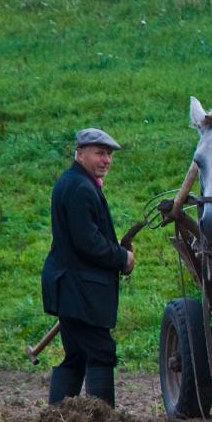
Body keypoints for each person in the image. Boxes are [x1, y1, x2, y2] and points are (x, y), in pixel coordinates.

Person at [41, 128, 135, 407]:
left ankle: (58, 416)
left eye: (109, 155)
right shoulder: (81, 188)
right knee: (101, 352)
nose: (106, 160)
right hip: (80, 290)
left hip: (71, 287)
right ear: (80, 153)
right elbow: (87, 242)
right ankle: (101, 417)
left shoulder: (74, 182)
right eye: (99, 153)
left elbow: (82, 238)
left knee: (77, 356)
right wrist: (122, 258)